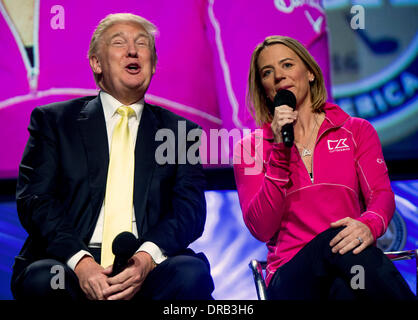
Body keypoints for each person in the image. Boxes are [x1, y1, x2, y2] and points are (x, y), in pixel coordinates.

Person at [11, 13, 214, 300]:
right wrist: (81, 263)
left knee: (190, 274)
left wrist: (146, 259)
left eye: (142, 44)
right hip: (71, 263)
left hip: (149, 263)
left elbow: (189, 211)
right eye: (119, 43)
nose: (133, 50)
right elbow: (36, 201)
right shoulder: (54, 122)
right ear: (96, 63)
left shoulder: (181, 132)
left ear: (153, 64)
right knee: (44, 279)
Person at [233, 35, 415, 300]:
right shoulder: (250, 148)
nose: (278, 76)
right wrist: (279, 153)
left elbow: (381, 195)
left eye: (287, 65)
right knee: (337, 241)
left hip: (348, 268)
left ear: (309, 73)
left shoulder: (356, 131)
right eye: (267, 72)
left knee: (344, 290)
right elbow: (261, 227)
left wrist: (369, 225)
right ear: (263, 88)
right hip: (291, 279)